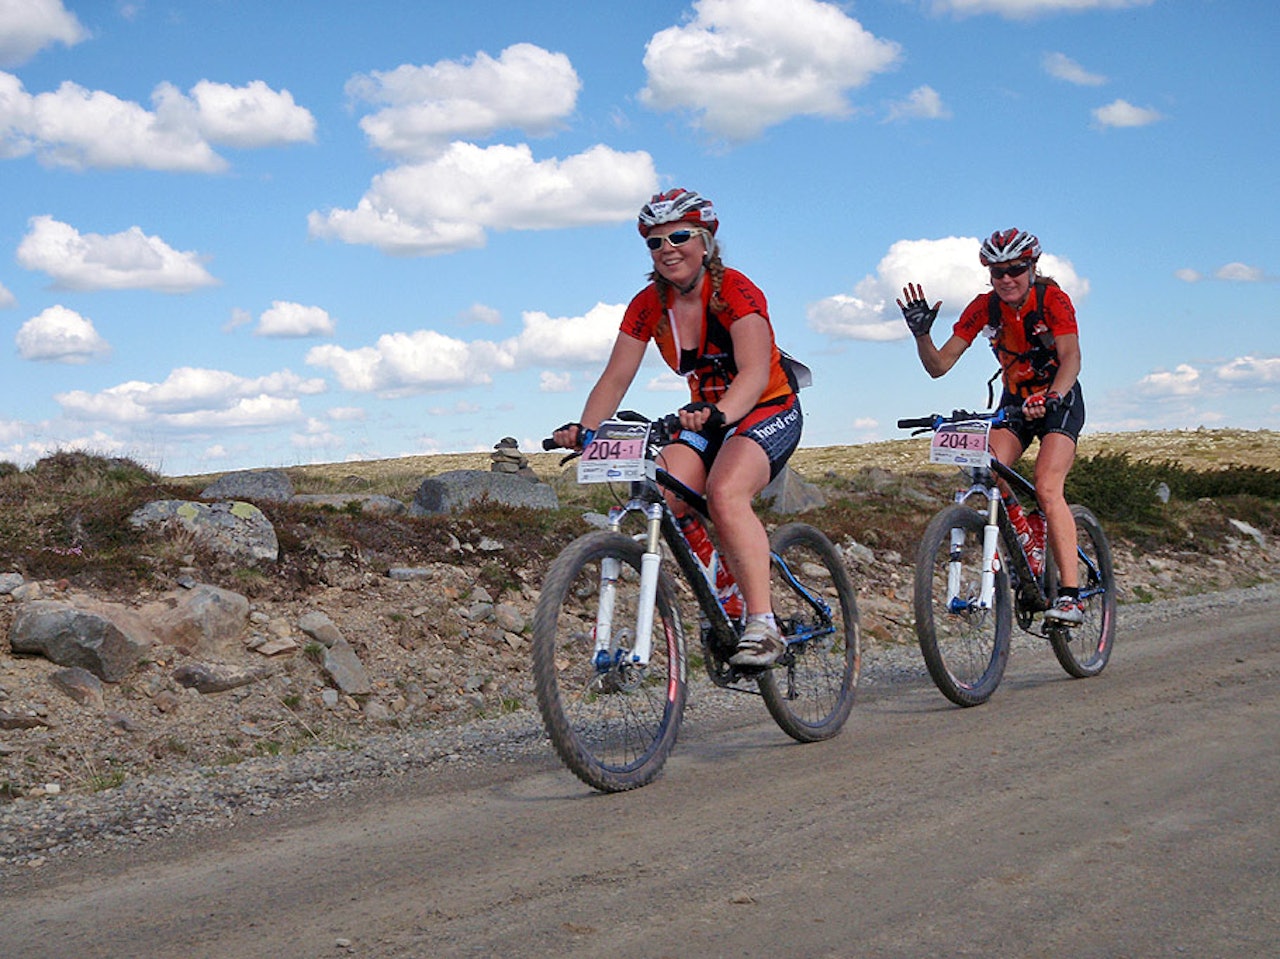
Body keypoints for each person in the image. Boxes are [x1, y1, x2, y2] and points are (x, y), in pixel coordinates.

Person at [553, 188, 803, 665]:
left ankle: (764, 624)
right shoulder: (648, 304)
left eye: (680, 236)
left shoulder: (735, 290)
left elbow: (752, 372)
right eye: (655, 242)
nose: (668, 249)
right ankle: (723, 591)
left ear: (705, 241)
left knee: (726, 492)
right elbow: (616, 376)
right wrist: (585, 430)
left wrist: (723, 414)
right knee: (664, 489)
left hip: (766, 406)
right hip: (706, 416)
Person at [897, 228, 1087, 624]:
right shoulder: (983, 308)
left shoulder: (1052, 299)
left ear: (1032, 267)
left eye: (1015, 269)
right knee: (987, 467)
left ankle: (1070, 595)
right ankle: (1029, 540)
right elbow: (938, 366)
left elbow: (1070, 357)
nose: (1006, 279)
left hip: (1059, 398)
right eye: (997, 271)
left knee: (1048, 485)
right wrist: (921, 334)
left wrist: (1052, 396)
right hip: (1015, 402)